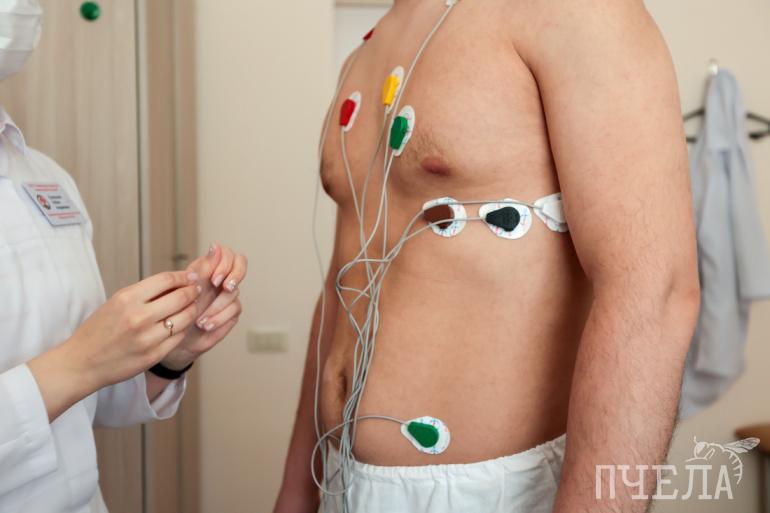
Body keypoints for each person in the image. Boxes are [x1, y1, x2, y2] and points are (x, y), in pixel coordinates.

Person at [274, 0, 699, 512]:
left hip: (494, 491)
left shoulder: (574, 11)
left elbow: (653, 292)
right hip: (340, 477)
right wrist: (296, 494)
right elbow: (342, 284)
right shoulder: (365, 51)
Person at [0, 2, 248, 511]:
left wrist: (171, 348)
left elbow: (89, 404)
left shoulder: (45, 177)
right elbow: (80, 367)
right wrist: (81, 361)